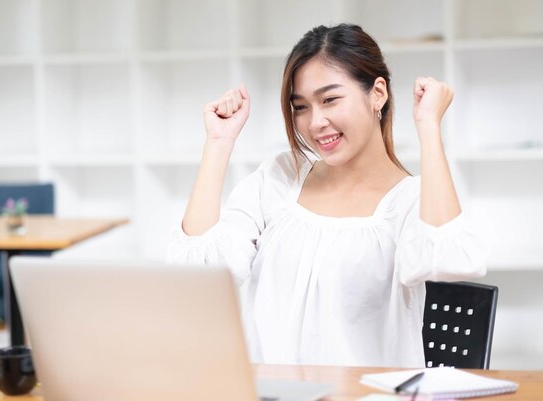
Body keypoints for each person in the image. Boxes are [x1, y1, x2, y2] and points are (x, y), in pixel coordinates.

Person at [166, 24, 486, 367]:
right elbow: (197, 272)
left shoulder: (410, 201)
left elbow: (450, 259)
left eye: (330, 99)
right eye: (300, 107)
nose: (315, 122)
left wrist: (428, 126)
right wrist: (218, 143)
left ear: (378, 93)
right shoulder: (280, 178)